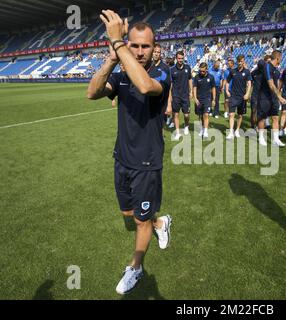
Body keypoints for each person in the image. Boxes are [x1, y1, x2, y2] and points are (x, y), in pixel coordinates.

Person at [87, 12, 172, 294]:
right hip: (121, 158)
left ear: (154, 47)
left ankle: (135, 267)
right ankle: (161, 221)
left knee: (138, 220)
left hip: (147, 163)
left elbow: (145, 86)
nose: (138, 51)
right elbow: (92, 93)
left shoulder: (162, 73)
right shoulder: (121, 74)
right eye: (133, 45)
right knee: (128, 211)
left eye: (145, 46)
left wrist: (117, 41)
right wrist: (112, 56)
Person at [256, 50, 286, 147]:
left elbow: (276, 84)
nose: (281, 60)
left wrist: (277, 95)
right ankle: (261, 137)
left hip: (273, 98)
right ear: (277, 58)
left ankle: (276, 139)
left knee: (275, 117)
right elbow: (270, 84)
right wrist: (280, 97)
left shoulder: (276, 70)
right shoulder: (267, 66)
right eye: (280, 58)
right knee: (262, 118)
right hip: (264, 97)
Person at [225, 55, 252, 140]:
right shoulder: (233, 71)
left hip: (242, 97)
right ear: (237, 62)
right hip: (233, 96)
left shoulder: (247, 72)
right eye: (239, 61)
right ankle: (231, 132)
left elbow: (249, 83)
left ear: (244, 61)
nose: (240, 63)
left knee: (240, 115)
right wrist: (226, 90)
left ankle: (237, 130)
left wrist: (247, 93)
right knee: (231, 114)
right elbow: (227, 81)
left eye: (242, 61)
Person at [171, 51, 193, 141]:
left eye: (182, 58)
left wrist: (191, 91)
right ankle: (178, 132)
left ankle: (186, 126)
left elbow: (190, 79)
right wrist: (170, 96)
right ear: (176, 58)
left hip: (185, 95)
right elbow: (171, 84)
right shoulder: (172, 70)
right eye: (179, 58)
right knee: (176, 114)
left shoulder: (188, 67)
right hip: (176, 95)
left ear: (184, 58)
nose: (180, 60)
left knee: (186, 115)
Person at [153, 43, 173, 129]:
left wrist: (169, 105)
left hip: (162, 103)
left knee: (160, 128)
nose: (156, 54)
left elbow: (169, 88)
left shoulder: (165, 68)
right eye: (155, 52)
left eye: (158, 52)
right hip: (148, 102)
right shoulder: (147, 66)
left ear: (161, 54)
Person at [193, 62, 216, 138]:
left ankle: (205, 131)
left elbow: (213, 88)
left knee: (206, 114)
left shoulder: (211, 77)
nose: (202, 72)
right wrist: (195, 98)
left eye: (203, 71)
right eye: (200, 71)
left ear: (207, 69)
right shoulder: (196, 77)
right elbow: (195, 88)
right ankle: (202, 129)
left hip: (207, 99)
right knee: (200, 116)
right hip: (199, 99)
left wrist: (214, 99)